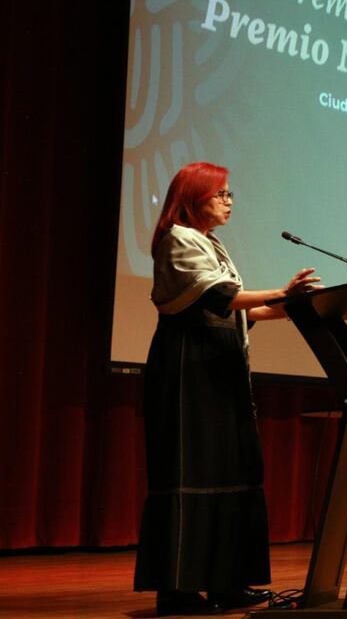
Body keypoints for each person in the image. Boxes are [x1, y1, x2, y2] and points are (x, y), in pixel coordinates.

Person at [133, 162, 321, 616]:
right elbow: (222, 297)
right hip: (189, 372)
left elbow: (241, 312)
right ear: (194, 198)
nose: (230, 201)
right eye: (221, 193)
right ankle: (177, 589)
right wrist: (280, 293)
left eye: (230, 194)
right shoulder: (178, 238)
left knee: (231, 470)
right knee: (193, 472)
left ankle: (227, 582)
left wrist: (299, 307)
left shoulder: (210, 243)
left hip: (220, 370)